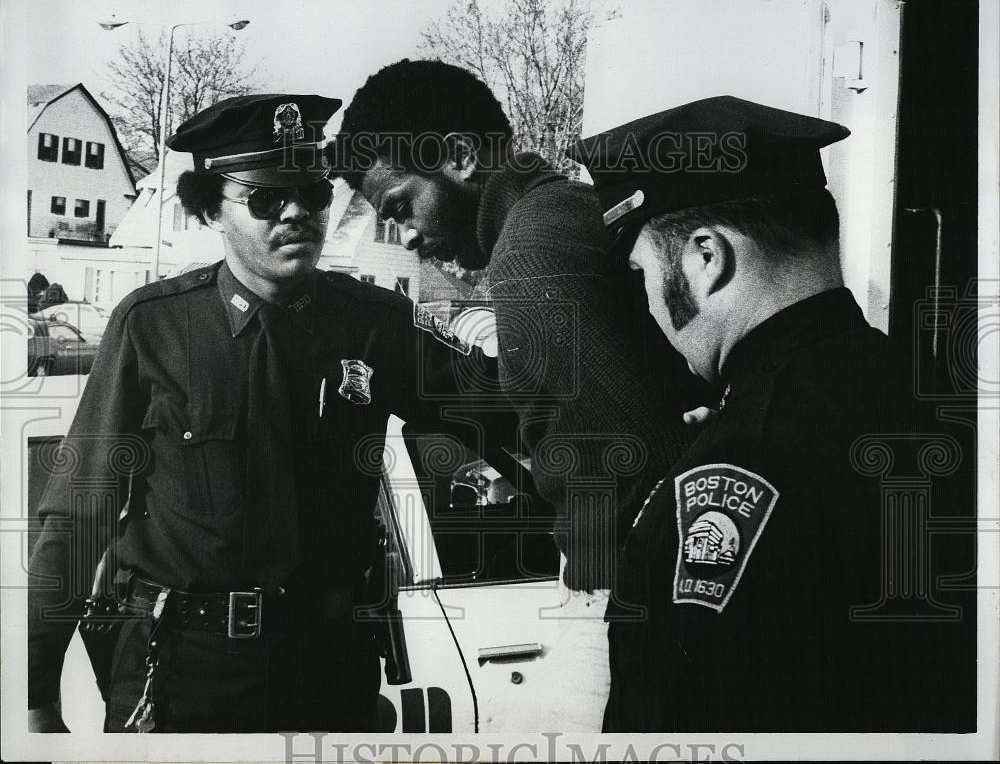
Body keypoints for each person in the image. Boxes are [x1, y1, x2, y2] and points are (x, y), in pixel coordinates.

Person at [28, 94, 505, 733]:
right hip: (185, 675)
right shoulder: (154, 328)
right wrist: (38, 693)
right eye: (264, 199)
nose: (295, 213)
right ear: (210, 209)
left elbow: (513, 414)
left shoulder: (375, 325)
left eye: (312, 194)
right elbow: (79, 512)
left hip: (329, 671)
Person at [568, 95, 977, 731]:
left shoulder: (731, 474)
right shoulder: (942, 396)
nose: (645, 303)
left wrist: (732, 447)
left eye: (640, 274)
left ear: (706, 258)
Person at [332, 59, 702, 596]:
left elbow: (613, 472)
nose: (407, 238)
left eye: (403, 207)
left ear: (459, 157)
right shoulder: (568, 206)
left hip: (632, 586)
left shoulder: (530, 255)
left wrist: (597, 594)